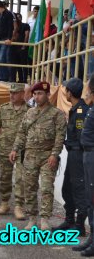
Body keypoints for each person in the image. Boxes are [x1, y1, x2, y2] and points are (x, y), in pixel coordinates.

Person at [9, 81, 66, 230]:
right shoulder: (29, 112)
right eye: (35, 94)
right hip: (30, 155)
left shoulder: (57, 114)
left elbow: (60, 136)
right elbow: (22, 133)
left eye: (40, 93)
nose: (37, 96)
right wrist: (15, 149)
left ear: (47, 95)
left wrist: (55, 154)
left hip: (48, 156)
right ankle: (32, 218)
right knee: (29, 187)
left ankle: (45, 219)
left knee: (47, 188)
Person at [52, 78, 89, 235]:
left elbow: (81, 134)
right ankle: (69, 221)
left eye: (66, 90)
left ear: (70, 92)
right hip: (73, 153)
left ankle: (79, 226)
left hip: (78, 155)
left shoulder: (80, 111)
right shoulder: (75, 109)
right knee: (67, 188)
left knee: (78, 190)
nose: (64, 92)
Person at [0, 83, 29, 220]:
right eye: (10, 92)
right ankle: (5, 203)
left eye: (15, 92)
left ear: (22, 94)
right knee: (5, 177)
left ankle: (19, 206)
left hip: (22, 150)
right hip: (5, 148)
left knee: (20, 178)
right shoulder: (3, 108)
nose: (11, 95)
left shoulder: (29, 110)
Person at [73, 74, 94, 256]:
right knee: (89, 199)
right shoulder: (91, 107)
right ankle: (91, 239)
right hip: (87, 154)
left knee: (93, 199)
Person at [0, 0, 14, 82]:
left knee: (1, 58)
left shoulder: (8, 14)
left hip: (4, 39)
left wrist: (9, 38)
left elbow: (10, 27)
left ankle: (4, 77)